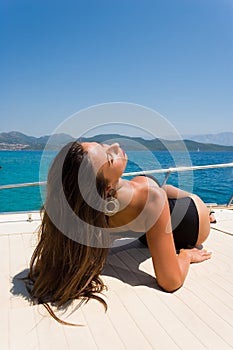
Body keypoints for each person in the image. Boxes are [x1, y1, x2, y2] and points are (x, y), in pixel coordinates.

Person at [26, 141, 212, 325]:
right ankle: (204, 211)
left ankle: (167, 194)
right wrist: (186, 256)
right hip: (193, 220)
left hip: (152, 213)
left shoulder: (80, 211)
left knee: (157, 189)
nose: (114, 145)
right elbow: (171, 281)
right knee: (162, 194)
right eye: (109, 156)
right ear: (107, 189)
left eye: (102, 144)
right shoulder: (150, 199)